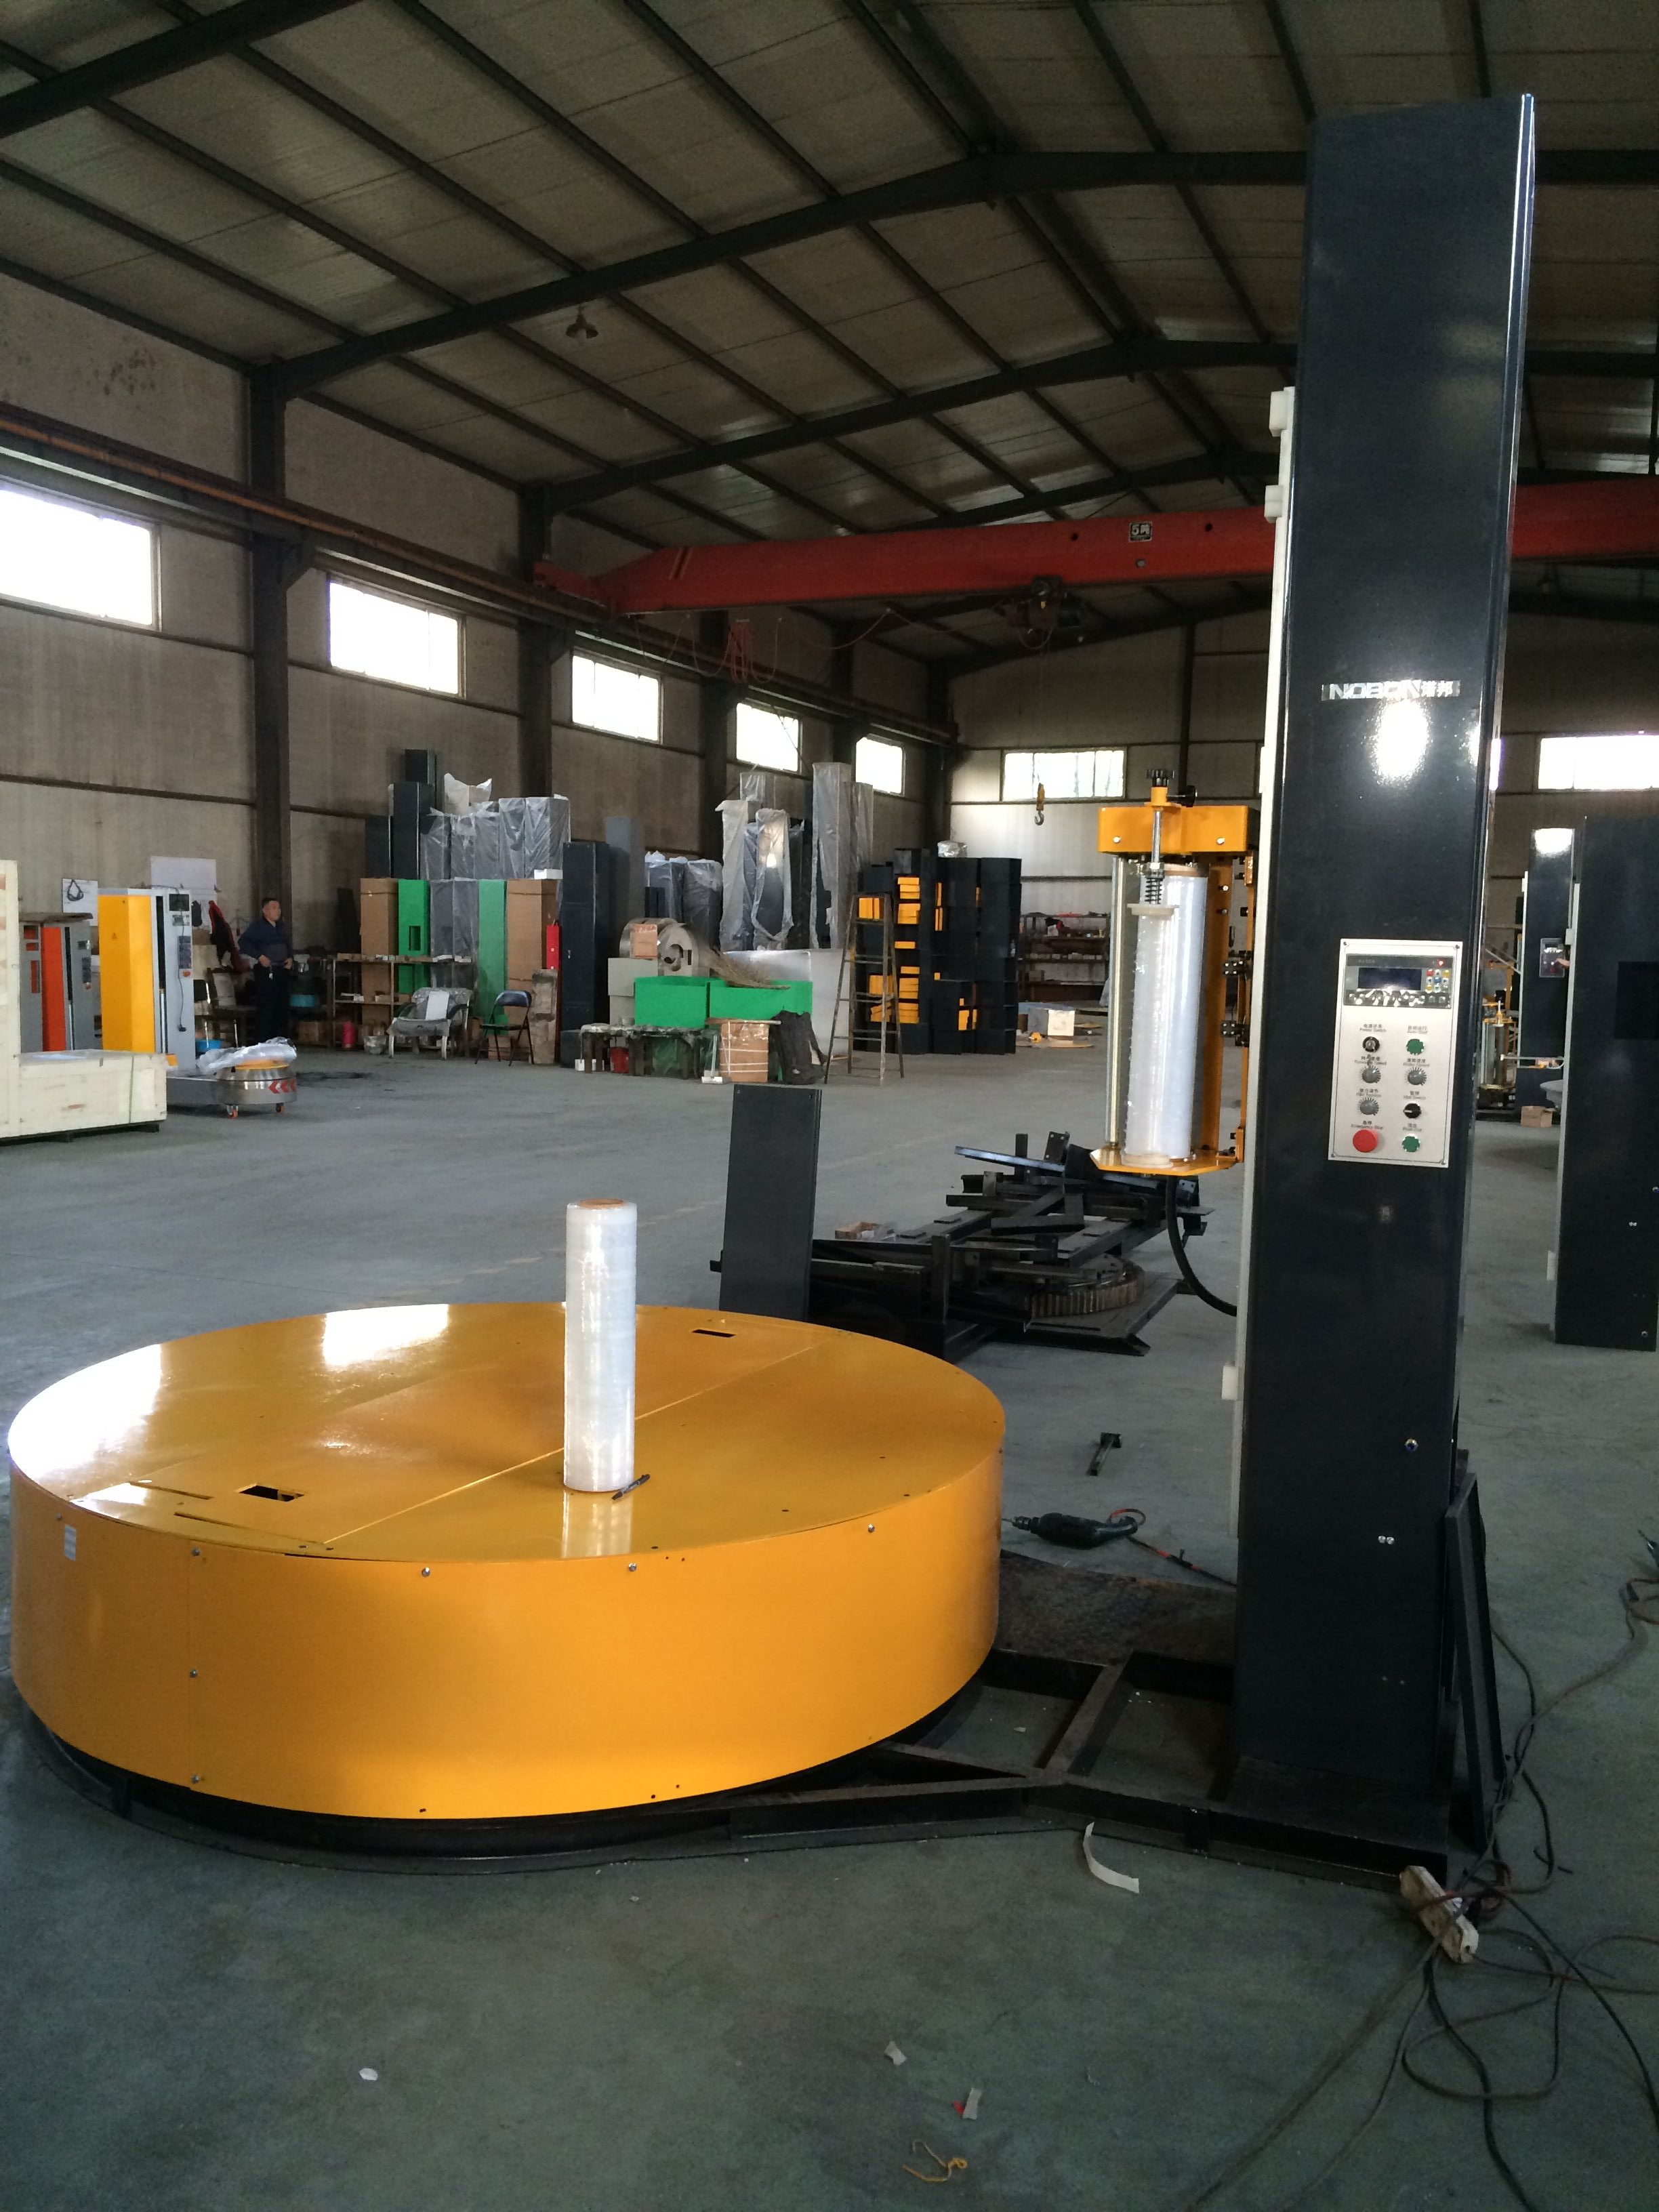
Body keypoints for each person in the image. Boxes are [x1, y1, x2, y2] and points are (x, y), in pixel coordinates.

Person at [239, 897, 293, 1041]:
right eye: (274, 908)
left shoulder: (282, 927)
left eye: (279, 908)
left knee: (282, 1007)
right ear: (265, 910)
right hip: (266, 972)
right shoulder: (258, 927)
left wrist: (290, 958)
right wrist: (260, 957)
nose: (278, 911)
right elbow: (243, 942)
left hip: (282, 971)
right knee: (267, 1008)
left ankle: (281, 1041)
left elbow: (288, 944)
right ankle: (264, 1042)